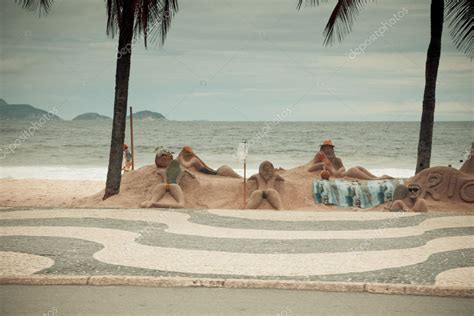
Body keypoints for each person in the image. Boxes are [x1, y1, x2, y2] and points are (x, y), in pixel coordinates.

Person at [308, 139, 392, 180]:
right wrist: (322, 165)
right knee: (353, 170)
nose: (328, 150)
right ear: (322, 149)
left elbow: (342, 168)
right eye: (326, 148)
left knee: (359, 167)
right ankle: (375, 180)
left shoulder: (337, 159)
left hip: (343, 173)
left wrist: (341, 169)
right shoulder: (321, 157)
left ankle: (378, 177)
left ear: (332, 149)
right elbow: (310, 168)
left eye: (329, 148)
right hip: (344, 175)